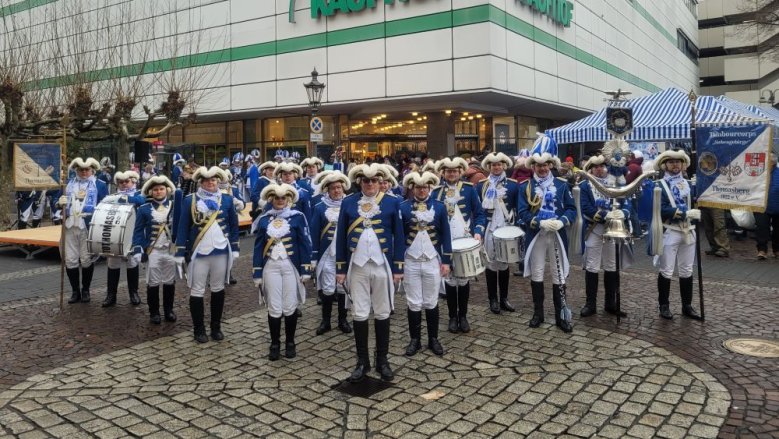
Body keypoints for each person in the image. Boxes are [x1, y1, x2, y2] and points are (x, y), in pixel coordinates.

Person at [335, 163, 405, 382]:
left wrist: (398, 268)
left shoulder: (392, 203)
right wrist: (341, 269)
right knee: (360, 313)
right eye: (366, 181)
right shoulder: (348, 203)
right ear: (360, 182)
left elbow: (399, 237)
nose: (370, 184)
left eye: (374, 180)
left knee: (383, 311)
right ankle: (362, 361)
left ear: (380, 181)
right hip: (357, 266)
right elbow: (340, 238)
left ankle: (382, 360)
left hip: (382, 264)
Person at [517, 135, 576, 333]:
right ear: (533, 166)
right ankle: (538, 313)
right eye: (538, 165)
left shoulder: (561, 184)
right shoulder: (525, 186)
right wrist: (539, 222)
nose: (542, 168)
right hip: (537, 234)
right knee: (538, 272)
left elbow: (571, 209)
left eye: (545, 165)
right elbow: (522, 212)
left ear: (551, 164)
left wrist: (562, 221)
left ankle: (561, 316)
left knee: (559, 275)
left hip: (557, 234)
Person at [175, 166, 240, 343]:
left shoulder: (226, 199)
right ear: (200, 182)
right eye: (206, 180)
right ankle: (199, 329)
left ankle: (216, 326)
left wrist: (234, 248)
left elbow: (234, 225)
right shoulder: (190, 200)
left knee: (218, 288)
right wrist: (180, 251)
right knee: (197, 289)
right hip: (199, 251)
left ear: (218, 181)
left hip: (221, 250)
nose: (210, 183)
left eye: (213, 180)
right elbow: (183, 226)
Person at [253, 183, 312, 360]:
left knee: (290, 305)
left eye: (283, 198)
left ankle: (290, 342)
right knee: (274, 306)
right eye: (277, 198)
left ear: (288, 200)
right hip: (270, 266)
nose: (280, 201)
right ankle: (275, 343)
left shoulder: (298, 217)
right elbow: (258, 247)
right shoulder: (264, 219)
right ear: (271, 199)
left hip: (290, 266)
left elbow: (304, 244)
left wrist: (305, 269)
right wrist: (257, 272)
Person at [431, 157, 486, 333]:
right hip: (444, 242)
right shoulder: (436, 192)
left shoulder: (469, 189)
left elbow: (480, 214)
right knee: (449, 278)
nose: (452, 173)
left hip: (463, 239)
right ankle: (452, 317)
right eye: (448, 171)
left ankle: (463, 316)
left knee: (462, 279)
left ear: (460, 172)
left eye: (455, 171)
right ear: (443, 173)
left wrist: (478, 230)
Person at [399, 171, 451, 356]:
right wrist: (398, 263)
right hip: (410, 260)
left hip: (432, 260)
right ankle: (415, 340)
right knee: (413, 302)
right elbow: (399, 237)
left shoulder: (439, 206)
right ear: (413, 188)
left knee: (431, 301)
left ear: (429, 188)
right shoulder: (403, 207)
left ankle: (433, 339)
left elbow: (446, 234)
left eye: (425, 187)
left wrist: (446, 261)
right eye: (418, 187)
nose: (421, 190)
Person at [649, 149, 702, 320]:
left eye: (678, 162)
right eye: (671, 162)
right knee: (667, 270)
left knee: (687, 270)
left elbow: (698, 202)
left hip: (689, 231)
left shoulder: (689, 183)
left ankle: (687, 305)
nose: (675, 165)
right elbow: (660, 209)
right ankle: (663, 305)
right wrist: (684, 213)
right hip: (670, 230)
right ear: (665, 165)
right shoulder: (658, 185)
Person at [578, 155, 632, 318]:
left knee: (612, 265)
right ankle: (590, 304)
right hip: (595, 229)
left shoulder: (616, 183)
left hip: (613, 230)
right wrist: (605, 215)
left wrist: (622, 212)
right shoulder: (585, 186)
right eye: (595, 167)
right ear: (590, 169)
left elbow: (626, 203)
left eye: (602, 166)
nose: (599, 169)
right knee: (592, 266)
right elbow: (585, 207)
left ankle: (611, 303)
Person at [57, 158, 109, 304]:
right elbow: (57, 202)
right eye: (81, 169)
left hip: (88, 226)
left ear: (92, 170)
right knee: (70, 260)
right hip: (69, 225)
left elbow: (105, 206)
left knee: (86, 259)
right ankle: (75, 291)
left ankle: (85, 289)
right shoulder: (67, 184)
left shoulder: (100, 184)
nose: (84, 172)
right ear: (76, 170)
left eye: (87, 169)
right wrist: (58, 203)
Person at [476, 152, 519, 314]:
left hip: (506, 228)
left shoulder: (513, 185)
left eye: (499, 164)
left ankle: (504, 299)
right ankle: (492, 299)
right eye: (493, 165)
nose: (496, 167)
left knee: (504, 263)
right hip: (489, 228)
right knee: (491, 264)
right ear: (489, 167)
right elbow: (478, 209)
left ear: (504, 166)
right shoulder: (481, 185)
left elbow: (517, 208)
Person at [310, 172, 352, 335]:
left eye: (339, 187)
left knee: (342, 287)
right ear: (327, 190)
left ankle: (343, 320)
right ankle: (325, 321)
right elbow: (314, 233)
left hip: (344, 253)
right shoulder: (319, 207)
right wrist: (313, 256)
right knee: (328, 289)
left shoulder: (349, 205)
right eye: (333, 188)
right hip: (327, 254)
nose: (337, 190)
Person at [131, 176, 178, 324]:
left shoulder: (175, 206)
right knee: (153, 281)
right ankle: (154, 312)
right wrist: (138, 249)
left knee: (170, 281)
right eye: (156, 189)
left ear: (167, 190)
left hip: (171, 249)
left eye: (161, 189)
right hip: (153, 250)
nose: (158, 192)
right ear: (151, 191)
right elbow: (138, 231)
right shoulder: (144, 209)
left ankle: (169, 310)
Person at [102, 170, 147, 308]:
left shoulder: (138, 194)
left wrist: (126, 199)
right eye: (121, 182)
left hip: (133, 234)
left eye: (126, 181)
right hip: (115, 234)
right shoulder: (113, 196)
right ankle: (111, 295)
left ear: (133, 181)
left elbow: (142, 201)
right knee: (113, 263)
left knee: (132, 262)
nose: (124, 184)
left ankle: (134, 293)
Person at [755, 153, 779, 259]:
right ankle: (762, 250)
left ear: (772, 163)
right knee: (762, 228)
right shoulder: (758, 173)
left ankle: (777, 250)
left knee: (778, 230)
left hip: (777, 207)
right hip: (761, 206)